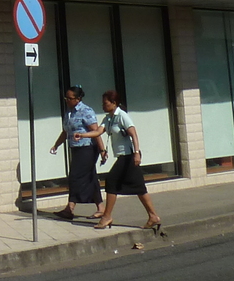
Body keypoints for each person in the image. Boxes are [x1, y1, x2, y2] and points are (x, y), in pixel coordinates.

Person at [80, 91, 160, 231]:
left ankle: (107, 216)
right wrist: (82, 135)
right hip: (123, 157)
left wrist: (136, 153)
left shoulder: (122, 116)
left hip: (128, 156)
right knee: (140, 188)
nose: (103, 106)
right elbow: (98, 132)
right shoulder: (108, 119)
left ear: (114, 103)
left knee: (111, 181)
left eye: (105, 103)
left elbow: (133, 134)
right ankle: (153, 216)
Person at [49, 85, 103, 222]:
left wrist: (102, 150)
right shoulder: (69, 112)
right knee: (90, 177)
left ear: (78, 99)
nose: (67, 100)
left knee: (75, 177)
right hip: (76, 149)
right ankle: (101, 208)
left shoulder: (86, 111)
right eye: (66, 98)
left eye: (70, 98)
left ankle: (70, 208)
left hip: (88, 149)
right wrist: (56, 145)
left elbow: (96, 132)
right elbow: (66, 132)